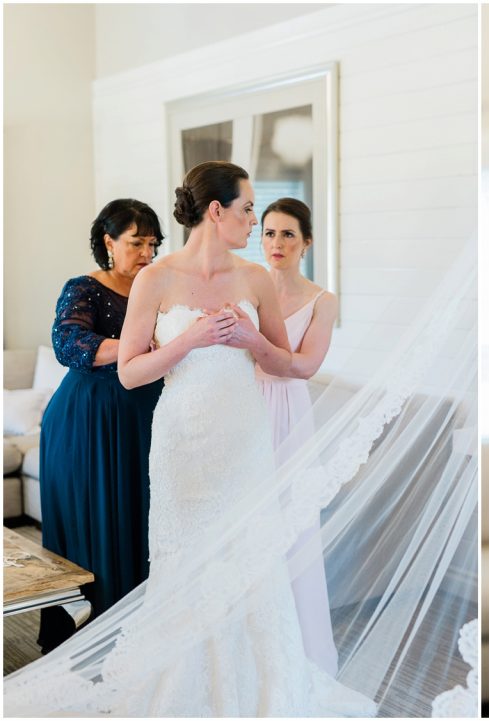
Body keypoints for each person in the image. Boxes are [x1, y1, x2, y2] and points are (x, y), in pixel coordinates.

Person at [114, 161, 373, 715]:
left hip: (245, 441)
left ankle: (262, 690)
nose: (256, 221)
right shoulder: (154, 279)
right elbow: (130, 372)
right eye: (249, 208)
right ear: (217, 211)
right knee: (184, 559)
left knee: (250, 560)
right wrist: (191, 341)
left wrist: (252, 339)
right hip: (182, 441)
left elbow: (287, 364)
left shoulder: (255, 280)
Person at [38, 199, 165, 653]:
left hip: (146, 415)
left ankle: (144, 632)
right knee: (98, 518)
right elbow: (69, 344)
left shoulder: (161, 286)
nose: (147, 253)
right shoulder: (84, 288)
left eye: (153, 243)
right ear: (109, 242)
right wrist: (131, 346)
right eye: (136, 243)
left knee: (144, 517)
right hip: (90, 419)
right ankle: (92, 639)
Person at [254, 197, 339, 675]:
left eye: (287, 234)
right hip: (243, 408)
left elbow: (305, 366)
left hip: (287, 410)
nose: (276, 243)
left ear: (306, 241)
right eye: (268, 233)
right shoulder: (247, 286)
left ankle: (296, 651)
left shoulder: (322, 300)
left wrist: (254, 345)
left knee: (288, 523)